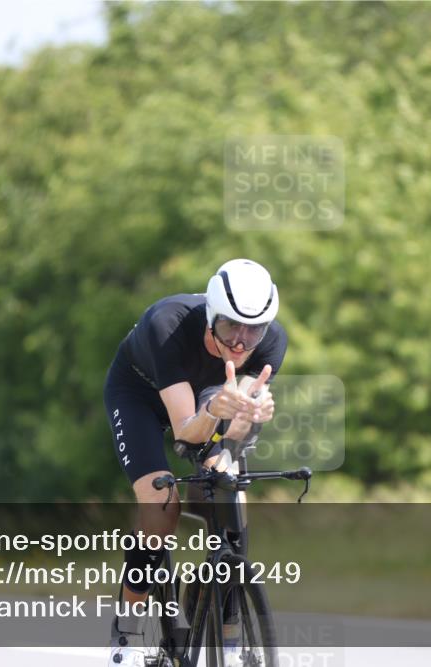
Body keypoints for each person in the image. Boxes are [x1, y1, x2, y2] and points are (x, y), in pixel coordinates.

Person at [103, 259, 287, 666]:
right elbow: (187, 432)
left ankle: (224, 622)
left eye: (252, 329)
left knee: (227, 495)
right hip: (141, 396)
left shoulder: (273, 343)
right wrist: (215, 417)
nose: (240, 343)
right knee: (162, 506)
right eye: (229, 327)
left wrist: (246, 417)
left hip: (207, 396)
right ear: (210, 317)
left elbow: (234, 427)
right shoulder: (166, 324)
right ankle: (127, 629)